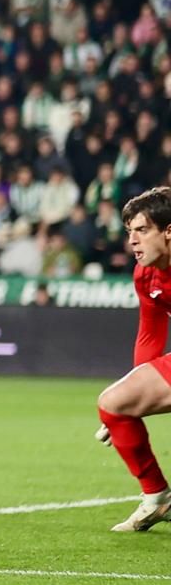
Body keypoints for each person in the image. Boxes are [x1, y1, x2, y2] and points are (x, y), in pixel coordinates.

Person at [97, 187, 171, 531]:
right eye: (129, 232)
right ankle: (157, 497)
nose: (133, 241)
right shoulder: (146, 274)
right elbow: (150, 335)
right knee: (115, 403)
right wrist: (134, 393)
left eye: (142, 230)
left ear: (168, 231)